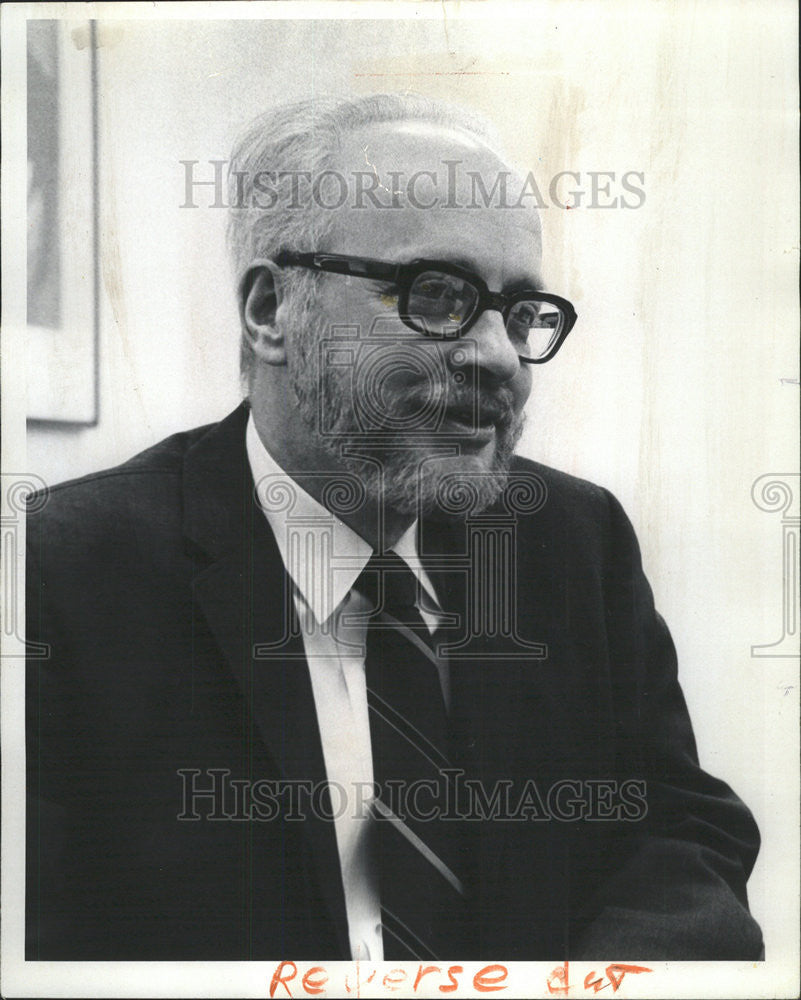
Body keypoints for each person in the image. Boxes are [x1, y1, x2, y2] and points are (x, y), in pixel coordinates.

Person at [26, 93, 763, 962]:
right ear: (272, 313)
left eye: (520, 312)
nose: (497, 357)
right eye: (436, 295)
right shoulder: (58, 575)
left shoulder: (569, 538)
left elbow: (677, 830)